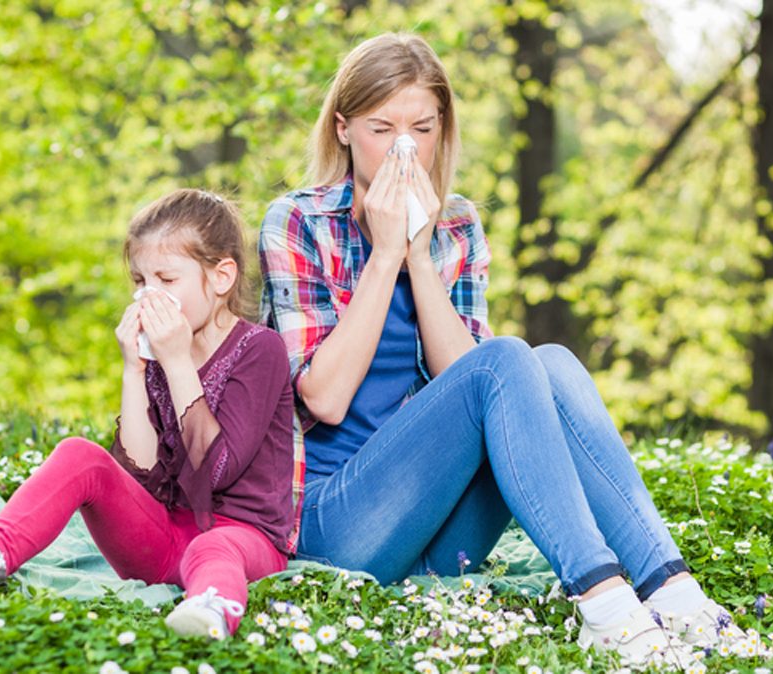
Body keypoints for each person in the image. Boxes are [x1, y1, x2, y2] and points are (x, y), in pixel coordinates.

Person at [259, 32, 738, 667]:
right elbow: (323, 397)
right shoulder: (297, 222)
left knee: (550, 365)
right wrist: (384, 253)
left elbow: (481, 386)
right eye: (382, 128)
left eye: (422, 128)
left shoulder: (455, 225)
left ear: (442, 130)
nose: (405, 148)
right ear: (343, 129)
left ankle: (671, 590)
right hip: (335, 526)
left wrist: (421, 258)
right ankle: (602, 600)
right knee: (512, 356)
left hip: (436, 530)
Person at [0, 189, 297, 639]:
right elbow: (139, 477)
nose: (148, 296)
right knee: (80, 453)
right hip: (163, 544)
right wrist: (134, 368)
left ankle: (210, 610)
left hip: (244, 541)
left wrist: (177, 361)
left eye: (166, 280)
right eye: (140, 282)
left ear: (221, 278)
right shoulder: (158, 356)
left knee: (214, 547)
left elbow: (216, 471)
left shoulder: (259, 349)